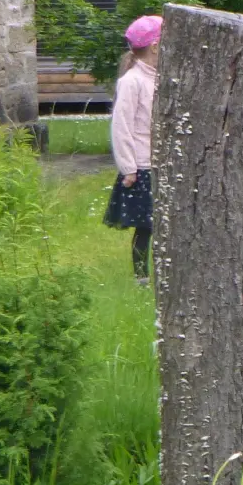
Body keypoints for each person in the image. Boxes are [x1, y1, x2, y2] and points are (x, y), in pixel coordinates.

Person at [105, 15, 163, 284]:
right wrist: (128, 167)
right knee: (145, 227)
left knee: (166, 226)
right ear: (154, 46)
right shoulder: (132, 80)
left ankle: (166, 278)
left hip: (162, 163)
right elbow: (121, 126)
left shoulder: (159, 77)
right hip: (141, 166)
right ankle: (141, 279)